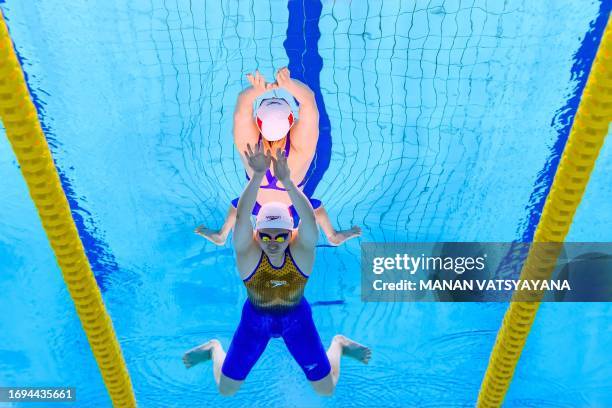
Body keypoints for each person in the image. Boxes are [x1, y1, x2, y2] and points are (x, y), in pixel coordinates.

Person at [183, 142, 371, 396]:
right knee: (226, 390)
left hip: (297, 320)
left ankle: (338, 345)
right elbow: (242, 217)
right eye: (266, 236)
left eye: (281, 236)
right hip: (255, 322)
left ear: (291, 234)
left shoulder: (301, 253)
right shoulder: (249, 255)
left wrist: (288, 182)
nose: (273, 243)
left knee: (325, 390)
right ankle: (214, 349)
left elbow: (309, 218)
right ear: (256, 235)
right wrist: (258, 176)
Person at [195, 67, 361, 246]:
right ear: (291, 121)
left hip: (256, 204)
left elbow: (241, 107)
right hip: (292, 209)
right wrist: (289, 84)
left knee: (240, 204)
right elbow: (309, 100)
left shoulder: (248, 145)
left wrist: (255, 91)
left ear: (258, 121)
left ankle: (222, 234)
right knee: (314, 207)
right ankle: (332, 236)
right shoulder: (301, 149)